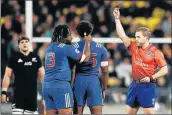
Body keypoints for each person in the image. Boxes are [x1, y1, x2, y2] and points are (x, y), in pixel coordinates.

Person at [113, 8, 168, 114]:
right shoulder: (134, 47)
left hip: (147, 86)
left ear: (146, 38)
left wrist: (151, 78)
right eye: (135, 37)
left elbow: (165, 70)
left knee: (149, 112)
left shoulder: (155, 52)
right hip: (134, 85)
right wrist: (117, 19)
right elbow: (122, 36)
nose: (136, 39)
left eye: (138, 37)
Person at [42, 24, 90, 115]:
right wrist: (87, 42)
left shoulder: (49, 47)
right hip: (61, 86)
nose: (71, 37)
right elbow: (85, 58)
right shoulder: (66, 48)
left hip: (46, 86)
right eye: (70, 34)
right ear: (65, 35)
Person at [72, 21, 109, 114]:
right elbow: (105, 72)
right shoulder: (101, 48)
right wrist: (104, 88)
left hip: (78, 82)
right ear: (91, 31)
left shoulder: (73, 47)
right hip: (94, 82)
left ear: (78, 33)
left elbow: (72, 69)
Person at [1, 37, 45, 114]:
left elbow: (43, 76)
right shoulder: (14, 58)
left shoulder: (36, 57)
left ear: (29, 44)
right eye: (22, 42)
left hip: (32, 98)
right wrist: (4, 91)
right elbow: (7, 75)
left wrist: (46, 92)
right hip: (18, 97)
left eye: (26, 42)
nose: (24, 43)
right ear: (19, 45)